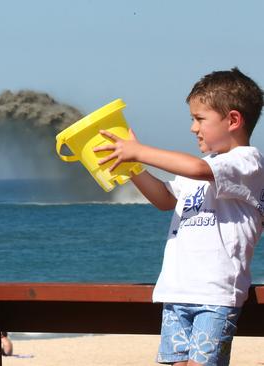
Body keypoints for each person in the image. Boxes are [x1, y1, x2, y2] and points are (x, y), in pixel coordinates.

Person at [94, 67, 264, 366]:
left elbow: (197, 170)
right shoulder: (203, 164)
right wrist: (129, 165)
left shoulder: (247, 162)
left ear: (233, 120)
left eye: (199, 119)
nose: (192, 128)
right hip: (177, 289)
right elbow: (164, 199)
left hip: (215, 294)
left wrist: (139, 151)